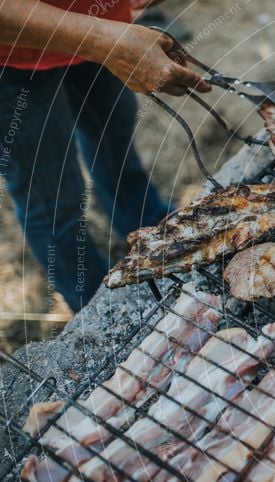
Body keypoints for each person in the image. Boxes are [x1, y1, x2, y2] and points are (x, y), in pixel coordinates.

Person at [0, 1, 211, 311]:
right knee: (51, 201)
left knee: (114, 146)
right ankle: (96, 303)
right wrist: (105, 41)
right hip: (14, 55)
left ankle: (144, 219)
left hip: (105, 22)